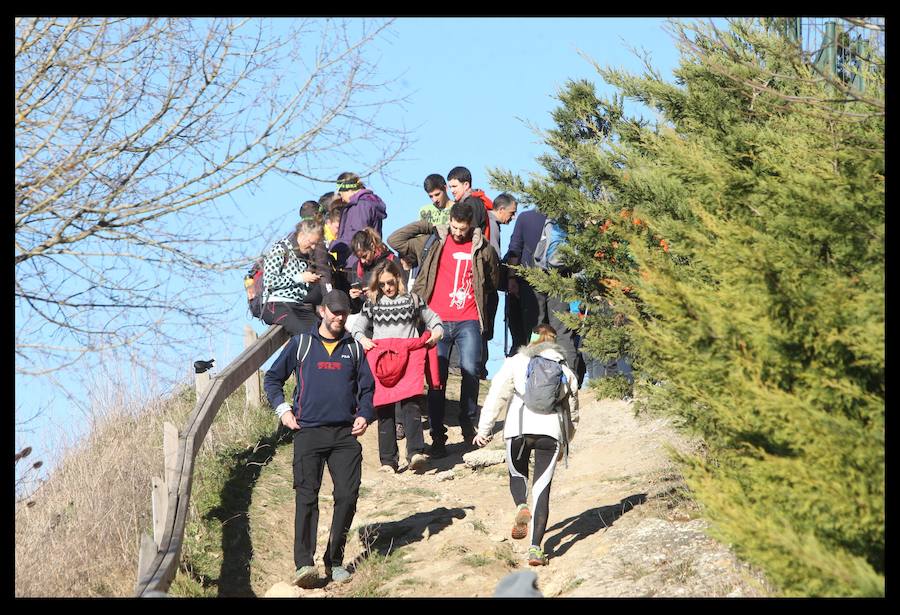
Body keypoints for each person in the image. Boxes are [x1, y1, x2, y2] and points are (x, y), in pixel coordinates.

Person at [263, 289, 375, 588]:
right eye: (335, 311)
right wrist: (283, 410)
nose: (340, 317)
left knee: (347, 496)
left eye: (344, 312)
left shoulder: (354, 348)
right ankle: (304, 564)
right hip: (308, 432)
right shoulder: (300, 343)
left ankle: (334, 560)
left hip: (345, 434)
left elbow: (368, 388)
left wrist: (365, 413)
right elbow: (272, 378)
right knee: (306, 497)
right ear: (322, 311)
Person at [387, 201, 500, 458]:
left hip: (468, 318)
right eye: (454, 227)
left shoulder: (484, 249)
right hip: (435, 321)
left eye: (463, 228)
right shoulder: (431, 241)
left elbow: (493, 280)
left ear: (471, 224)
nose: (458, 232)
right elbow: (395, 239)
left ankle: (468, 425)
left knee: (471, 371)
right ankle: (438, 436)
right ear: (449, 221)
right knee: (436, 381)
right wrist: (428, 224)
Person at [473, 324, 579, 567]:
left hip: (518, 429)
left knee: (516, 472)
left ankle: (521, 504)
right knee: (542, 489)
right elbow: (572, 412)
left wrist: (484, 429)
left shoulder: (515, 361)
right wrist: (566, 442)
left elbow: (496, 394)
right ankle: (535, 549)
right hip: (550, 434)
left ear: (531, 340)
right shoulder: (564, 369)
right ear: (554, 342)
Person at [349, 259, 444, 473]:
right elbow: (357, 328)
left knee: (411, 405)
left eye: (390, 282)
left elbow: (434, 319)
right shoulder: (372, 303)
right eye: (382, 284)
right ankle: (388, 462)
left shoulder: (413, 300)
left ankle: (415, 453)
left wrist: (436, 333)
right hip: (383, 363)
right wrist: (364, 341)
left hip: (409, 359)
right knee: (384, 410)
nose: (387, 288)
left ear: (398, 278)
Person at [261, 218, 325, 336]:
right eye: (311, 242)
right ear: (301, 235)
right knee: (306, 335)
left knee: (322, 333)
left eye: (316, 244)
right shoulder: (280, 249)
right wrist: (299, 278)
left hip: (299, 305)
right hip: (277, 304)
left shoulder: (305, 256)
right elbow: (269, 281)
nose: (313, 247)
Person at [480, 193, 518, 378]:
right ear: (501, 209)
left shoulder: (486, 219)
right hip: (487, 284)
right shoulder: (492, 225)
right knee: (485, 326)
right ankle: (480, 367)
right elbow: (493, 255)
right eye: (511, 213)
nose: (512, 218)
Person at [503, 206, 549, 354]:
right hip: (561, 281)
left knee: (535, 326)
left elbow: (515, 249)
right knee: (561, 331)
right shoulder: (567, 218)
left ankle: (534, 363)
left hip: (530, 281)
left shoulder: (525, 218)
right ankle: (565, 370)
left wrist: (511, 278)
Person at [331, 172, 388, 271]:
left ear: (349, 189)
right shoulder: (369, 203)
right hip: (367, 261)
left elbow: (358, 237)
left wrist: (333, 245)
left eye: (341, 194)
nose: (342, 199)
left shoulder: (359, 206)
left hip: (356, 264)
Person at [347, 228, 398, 313]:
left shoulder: (391, 260)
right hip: (367, 316)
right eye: (359, 258)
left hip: (390, 313)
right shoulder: (357, 267)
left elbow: (403, 291)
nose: (362, 261)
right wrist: (354, 298)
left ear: (372, 246)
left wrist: (377, 294)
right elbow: (358, 306)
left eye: (364, 256)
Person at [446, 166, 489, 235]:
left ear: (466, 185)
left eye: (454, 186)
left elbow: (472, 231)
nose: (452, 191)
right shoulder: (467, 201)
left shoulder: (472, 203)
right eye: (450, 187)